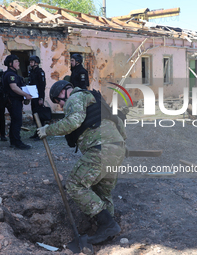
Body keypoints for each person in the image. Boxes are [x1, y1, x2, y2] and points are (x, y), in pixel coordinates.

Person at [37, 80, 127, 244]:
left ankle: (107, 225)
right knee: (102, 192)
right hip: (117, 148)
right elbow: (119, 122)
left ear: (64, 92)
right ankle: (108, 231)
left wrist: (47, 130)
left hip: (100, 149)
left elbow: (73, 122)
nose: (62, 106)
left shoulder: (75, 97)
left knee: (74, 184)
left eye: (59, 101)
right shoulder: (95, 99)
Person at [2, 55, 32, 150]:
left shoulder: (12, 74)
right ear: (10, 64)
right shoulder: (10, 75)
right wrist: (26, 95)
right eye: (16, 61)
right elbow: (14, 87)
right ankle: (17, 142)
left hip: (15, 101)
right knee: (17, 121)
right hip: (13, 101)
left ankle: (13, 141)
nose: (18, 63)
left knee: (15, 121)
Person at [28, 55, 46, 140]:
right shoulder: (31, 72)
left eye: (32, 62)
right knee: (34, 114)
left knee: (40, 115)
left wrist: (41, 98)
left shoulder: (40, 72)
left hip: (38, 96)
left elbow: (42, 86)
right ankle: (37, 131)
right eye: (30, 62)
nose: (30, 63)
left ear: (36, 63)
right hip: (33, 96)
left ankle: (41, 133)